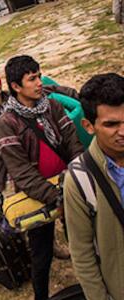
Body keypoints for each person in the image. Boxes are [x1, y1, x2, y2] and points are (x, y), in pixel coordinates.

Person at [0, 55, 83, 300]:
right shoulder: (7, 122)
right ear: (15, 87)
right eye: (32, 79)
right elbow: (22, 173)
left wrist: (78, 183)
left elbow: (73, 143)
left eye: (39, 75)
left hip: (69, 185)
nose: (38, 83)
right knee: (41, 254)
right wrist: (57, 198)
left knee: (82, 242)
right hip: (40, 195)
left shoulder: (52, 106)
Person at [64, 73, 124, 300]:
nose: (123, 131)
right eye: (111, 124)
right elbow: (82, 252)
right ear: (88, 126)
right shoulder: (80, 179)